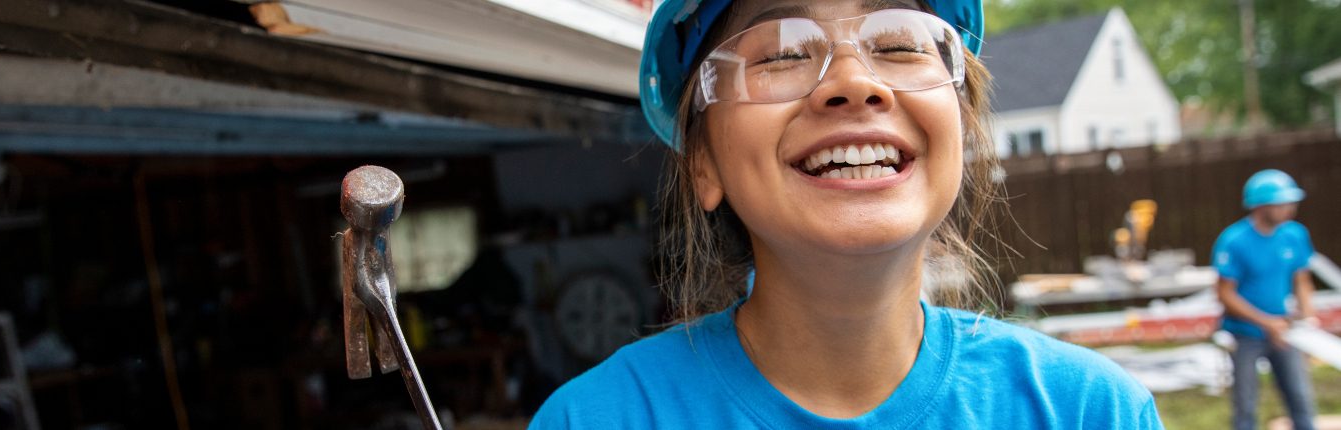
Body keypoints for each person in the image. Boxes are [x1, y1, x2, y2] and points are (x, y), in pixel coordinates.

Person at [529, 0, 1162, 428]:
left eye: (898, 43)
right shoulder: (599, 419)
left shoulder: (1088, 411)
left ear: (959, 124)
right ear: (705, 161)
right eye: (781, 51)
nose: (856, 82)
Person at [1213, 169, 1318, 430]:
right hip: (1245, 333)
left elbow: (1302, 281)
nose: (1290, 208)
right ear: (1261, 206)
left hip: (1284, 331)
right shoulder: (1234, 241)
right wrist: (1265, 322)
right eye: (1283, 203)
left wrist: (1307, 318)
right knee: (1246, 405)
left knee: (1300, 397)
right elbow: (1225, 294)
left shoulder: (1294, 235)